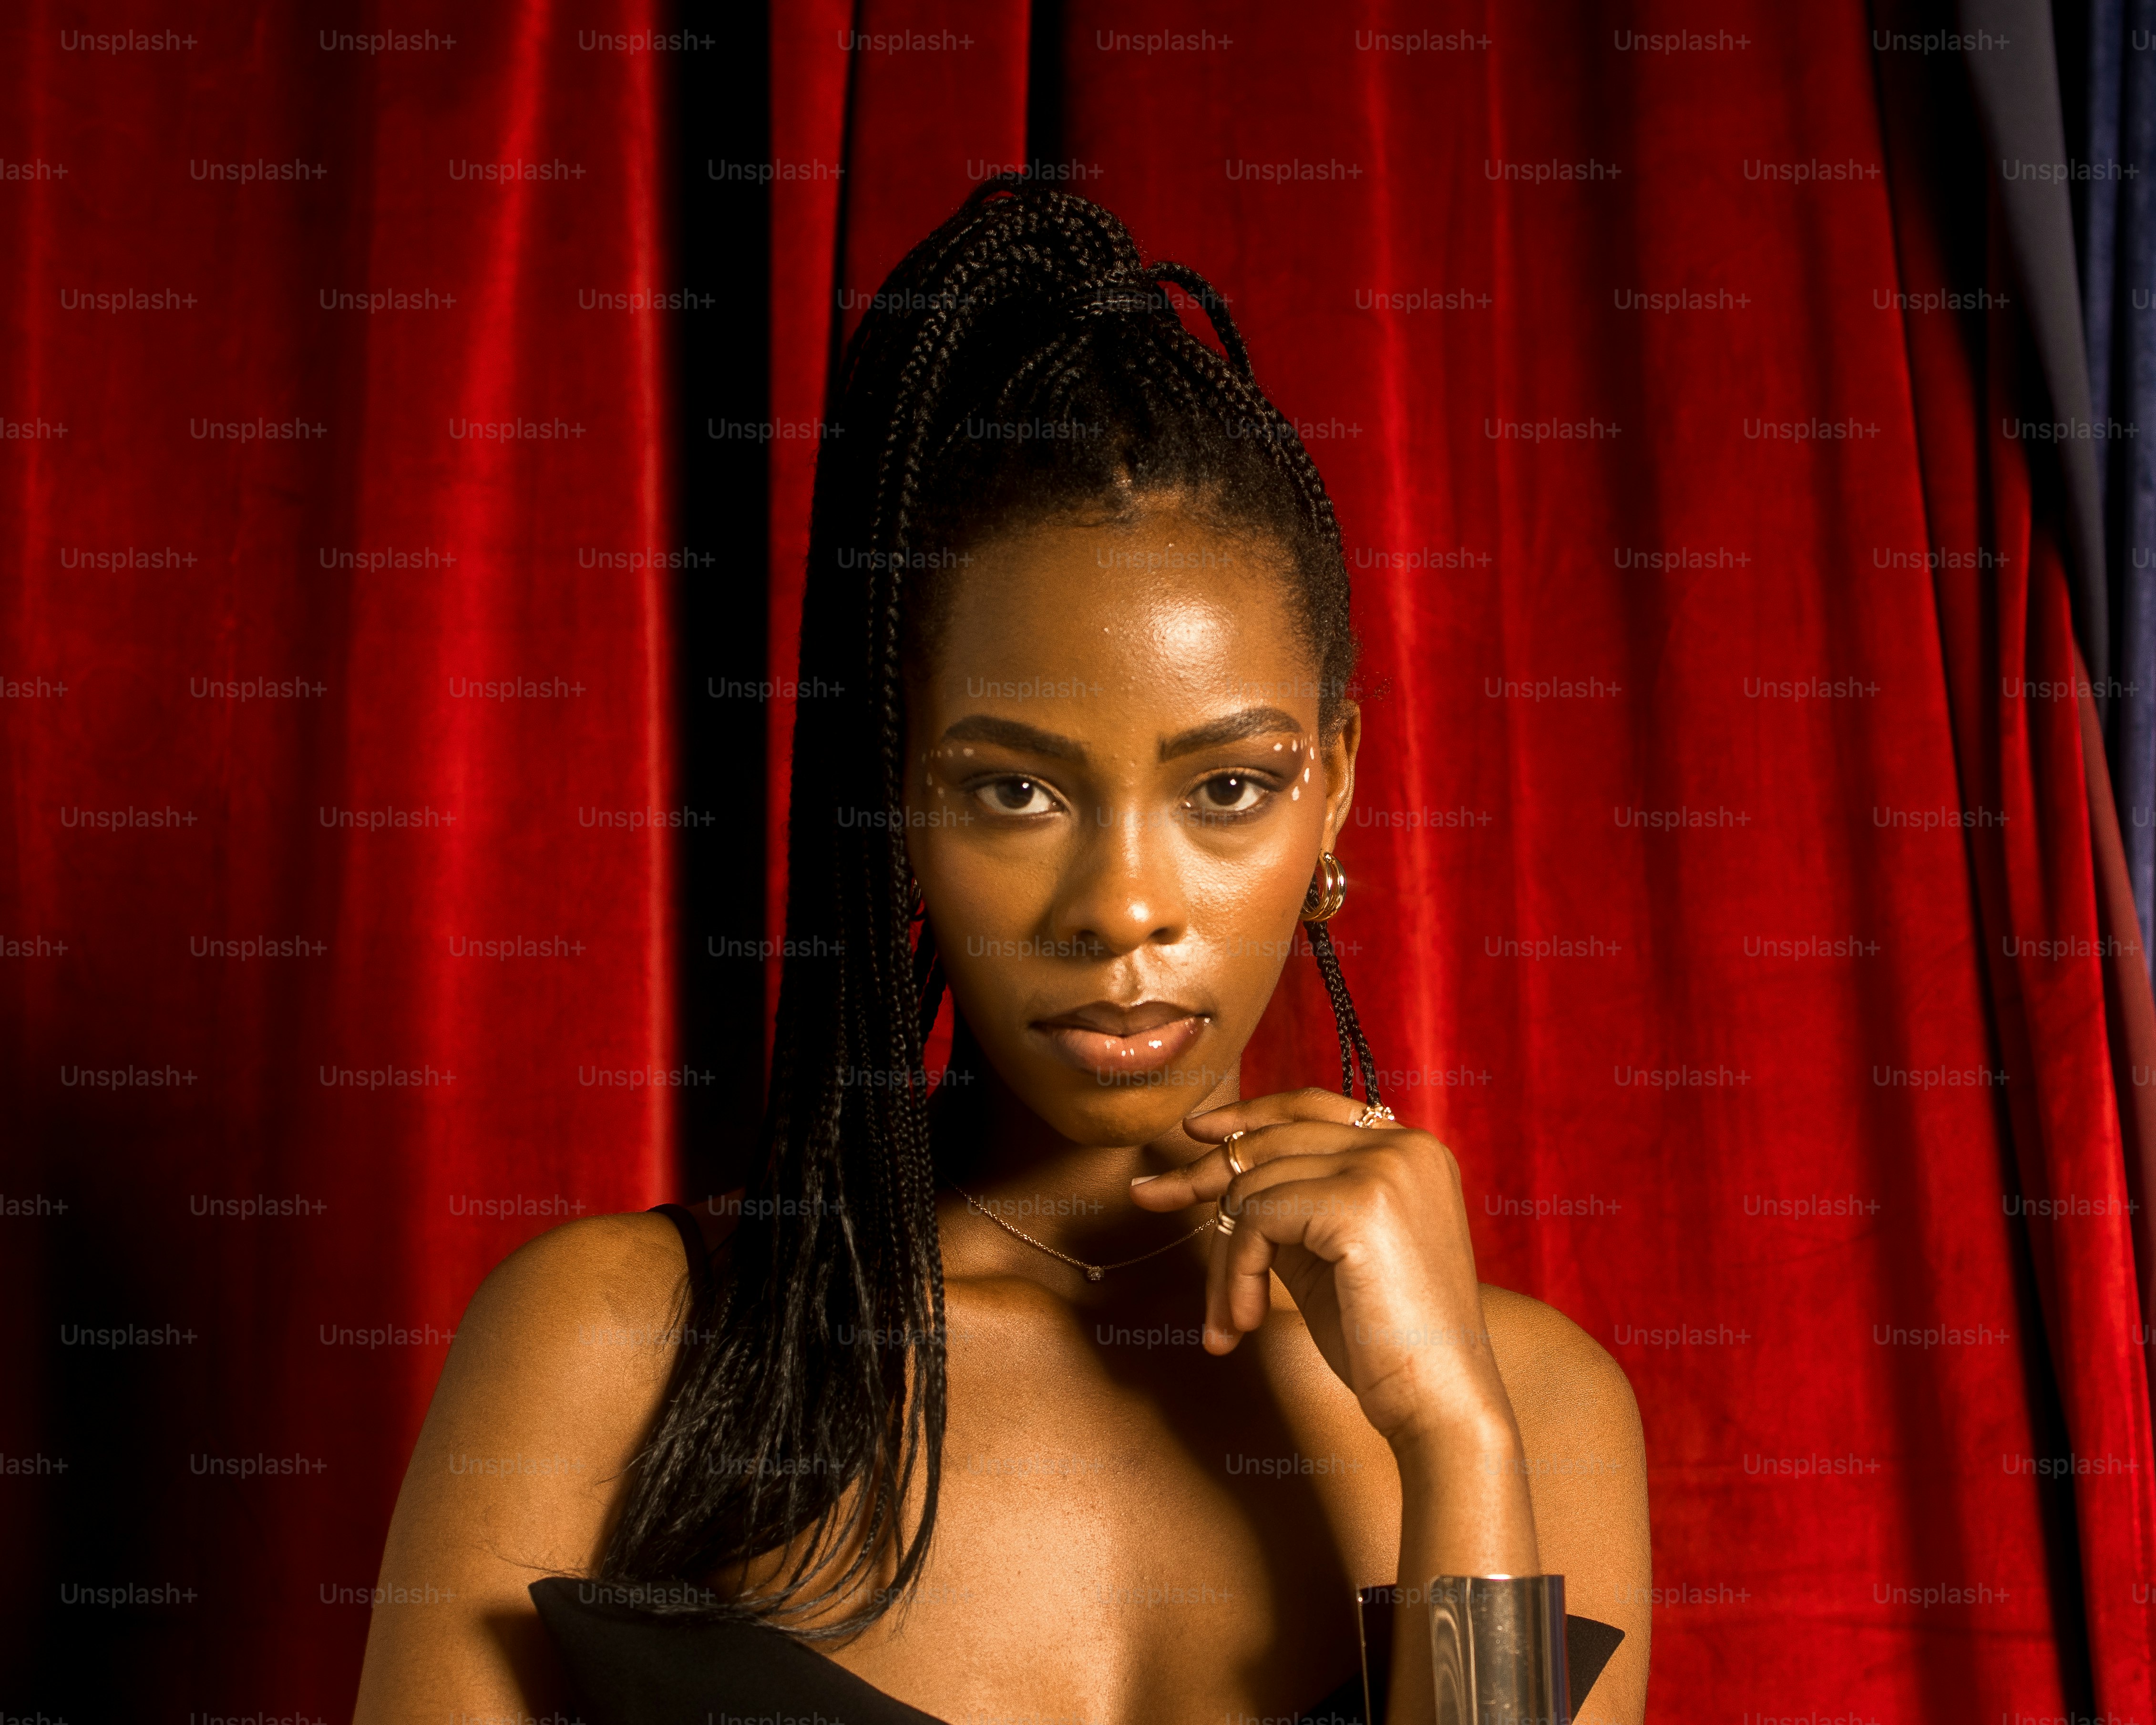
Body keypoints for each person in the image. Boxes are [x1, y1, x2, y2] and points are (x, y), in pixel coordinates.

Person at [353, 177, 1651, 1725]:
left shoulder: (1530, 1410)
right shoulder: (619, 1349)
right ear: (898, 795)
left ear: (1334, 785)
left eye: (1223, 786)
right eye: (1015, 789)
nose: (1119, 905)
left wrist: (1450, 1441)